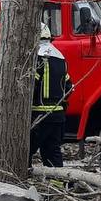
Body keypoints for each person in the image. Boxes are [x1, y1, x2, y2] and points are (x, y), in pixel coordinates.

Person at [31, 23, 71, 167]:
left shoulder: (38, 57)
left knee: (25, 152)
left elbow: (31, 86)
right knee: (53, 152)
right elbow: (68, 86)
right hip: (58, 116)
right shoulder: (60, 57)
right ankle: (56, 178)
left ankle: (21, 178)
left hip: (39, 116)